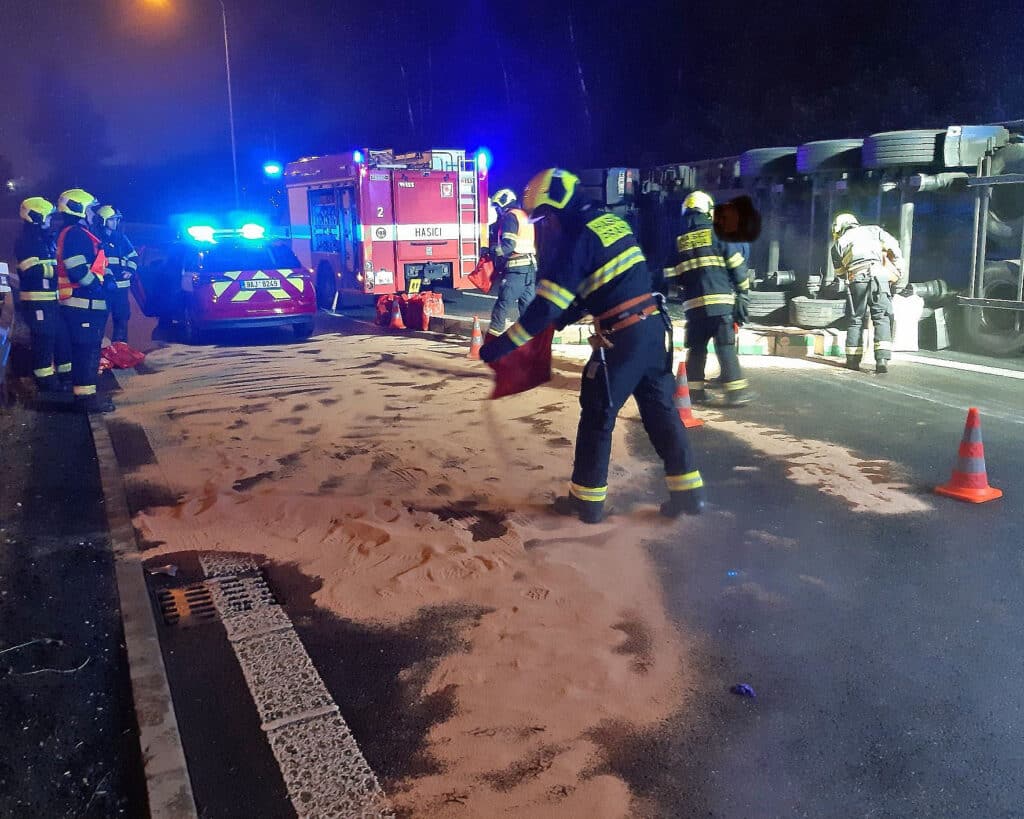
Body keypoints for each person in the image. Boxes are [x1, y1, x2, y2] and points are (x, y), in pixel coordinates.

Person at [481, 168, 705, 524]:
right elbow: (603, 284)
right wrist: (568, 315)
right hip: (653, 331)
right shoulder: (612, 223)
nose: (547, 225)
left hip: (622, 338)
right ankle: (690, 494)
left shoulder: (578, 239)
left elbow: (545, 307)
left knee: (598, 414)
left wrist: (501, 346)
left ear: (561, 206)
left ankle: (586, 501)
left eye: (548, 216)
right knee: (661, 414)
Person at [666, 190, 752, 405]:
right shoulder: (718, 233)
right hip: (720, 305)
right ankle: (736, 392)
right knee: (725, 347)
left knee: (696, 349)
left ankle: (694, 392)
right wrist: (743, 294)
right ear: (707, 210)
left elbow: (669, 276)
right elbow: (737, 266)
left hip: (693, 307)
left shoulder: (678, 241)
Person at [54, 188, 115, 413]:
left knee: (87, 351)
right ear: (78, 209)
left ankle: (86, 398)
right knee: (86, 352)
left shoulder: (78, 233)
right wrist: (97, 287)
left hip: (84, 303)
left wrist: (105, 280)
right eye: (89, 209)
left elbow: (98, 264)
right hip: (82, 303)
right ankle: (86, 401)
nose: (92, 214)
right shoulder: (76, 234)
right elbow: (77, 269)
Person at [13, 196, 72, 393]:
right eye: (47, 218)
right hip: (36, 301)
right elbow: (30, 270)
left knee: (60, 336)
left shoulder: (44, 238)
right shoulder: (26, 240)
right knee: (44, 338)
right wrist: (58, 270)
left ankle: (66, 375)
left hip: (50, 301)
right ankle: (45, 380)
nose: (50, 222)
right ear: (36, 217)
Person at [830, 213, 902, 374]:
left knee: (856, 319)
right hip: (879, 276)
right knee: (881, 317)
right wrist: (898, 269)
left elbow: (840, 273)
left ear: (839, 229)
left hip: (857, 279)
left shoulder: (838, 244)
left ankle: (852, 361)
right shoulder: (874, 230)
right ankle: (882, 360)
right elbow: (894, 247)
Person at [485, 188, 537, 338]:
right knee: (527, 309)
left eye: (498, 207)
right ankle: (531, 343)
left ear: (503, 204)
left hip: (516, 269)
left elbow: (508, 246)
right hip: (530, 269)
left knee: (503, 305)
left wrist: (492, 250)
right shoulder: (524, 216)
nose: (498, 211)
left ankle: (491, 342)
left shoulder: (510, 217)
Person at [96, 205, 137, 343]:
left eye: (116, 220)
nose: (115, 223)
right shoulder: (96, 238)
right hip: (103, 287)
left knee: (122, 318)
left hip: (121, 287)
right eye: (111, 219)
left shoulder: (121, 238)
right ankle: (98, 351)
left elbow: (133, 256)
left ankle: (120, 351)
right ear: (103, 220)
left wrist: (130, 271)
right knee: (99, 319)